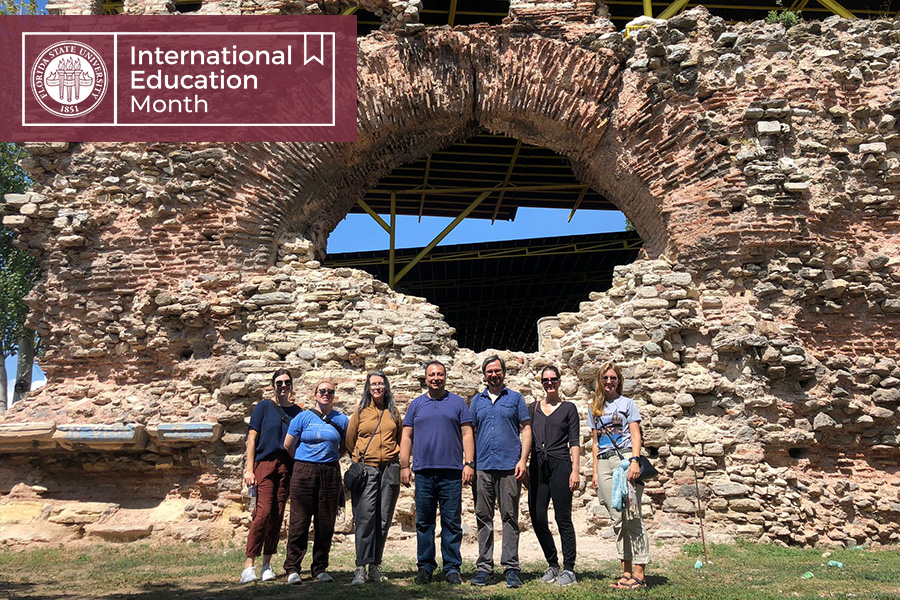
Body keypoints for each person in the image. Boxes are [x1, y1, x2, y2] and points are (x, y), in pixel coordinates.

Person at [399, 360, 475, 585]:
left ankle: (452, 568)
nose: (436, 378)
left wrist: (469, 463)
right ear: (426, 378)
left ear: (445, 377)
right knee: (424, 522)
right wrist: (404, 465)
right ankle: (425, 567)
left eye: (440, 374)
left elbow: (467, 434)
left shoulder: (458, 403)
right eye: (432, 375)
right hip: (423, 472)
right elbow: (406, 436)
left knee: (452, 522)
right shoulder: (416, 404)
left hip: (451, 472)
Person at [469, 355, 532, 588]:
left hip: (509, 466)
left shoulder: (515, 399)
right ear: (484, 375)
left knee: (510, 517)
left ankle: (511, 568)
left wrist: (523, 460)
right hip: (483, 467)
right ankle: (484, 568)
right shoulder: (477, 401)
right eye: (489, 371)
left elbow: (526, 429)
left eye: (497, 371)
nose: (493, 375)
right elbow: (469, 433)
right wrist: (469, 463)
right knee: (483, 517)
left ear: (504, 373)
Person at [589, 362, 651, 590]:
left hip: (624, 460)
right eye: (605, 378)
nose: (609, 382)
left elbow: (635, 435)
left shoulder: (628, 404)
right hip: (604, 463)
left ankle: (640, 572)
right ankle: (625, 572)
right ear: (600, 380)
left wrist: (635, 460)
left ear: (619, 380)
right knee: (617, 518)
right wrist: (595, 471)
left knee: (632, 515)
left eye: (613, 378)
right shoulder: (594, 407)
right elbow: (595, 443)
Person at [282, 380, 349, 585]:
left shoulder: (342, 419)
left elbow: (345, 446)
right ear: (315, 394)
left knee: (325, 522)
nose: (326, 394)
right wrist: (305, 461)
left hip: (329, 472)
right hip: (304, 471)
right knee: (299, 521)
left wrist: (328, 459)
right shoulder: (302, 417)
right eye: (322, 391)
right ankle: (293, 568)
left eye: (330, 391)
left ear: (334, 396)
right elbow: (288, 445)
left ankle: (319, 568)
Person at [240, 369, 303, 583]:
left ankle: (267, 564)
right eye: (279, 383)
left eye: (286, 382)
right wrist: (249, 469)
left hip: (286, 466)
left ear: (291, 385)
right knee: (263, 513)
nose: (283, 386)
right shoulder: (264, 407)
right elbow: (252, 439)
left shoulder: (297, 411)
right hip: (265, 464)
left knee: (277, 514)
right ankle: (249, 565)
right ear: (273, 385)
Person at [345, 371, 403, 585]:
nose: (377, 388)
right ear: (368, 388)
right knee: (365, 517)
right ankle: (361, 567)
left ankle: (375, 566)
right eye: (373, 384)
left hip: (389, 469)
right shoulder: (360, 412)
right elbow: (350, 440)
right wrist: (363, 458)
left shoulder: (393, 412)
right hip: (366, 469)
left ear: (386, 387)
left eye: (381, 384)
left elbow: (398, 437)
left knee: (384, 517)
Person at [528, 365, 581, 587]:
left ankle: (569, 569)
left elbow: (575, 442)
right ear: (542, 383)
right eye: (545, 380)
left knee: (563, 518)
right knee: (538, 517)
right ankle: (553, 564)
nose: (549, 383)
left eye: (553, 379)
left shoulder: (569, 408)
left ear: (559, 382)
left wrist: (575, 470)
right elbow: (524, 436)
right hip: (537, 467)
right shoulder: (532, 408)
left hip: (561, 465)